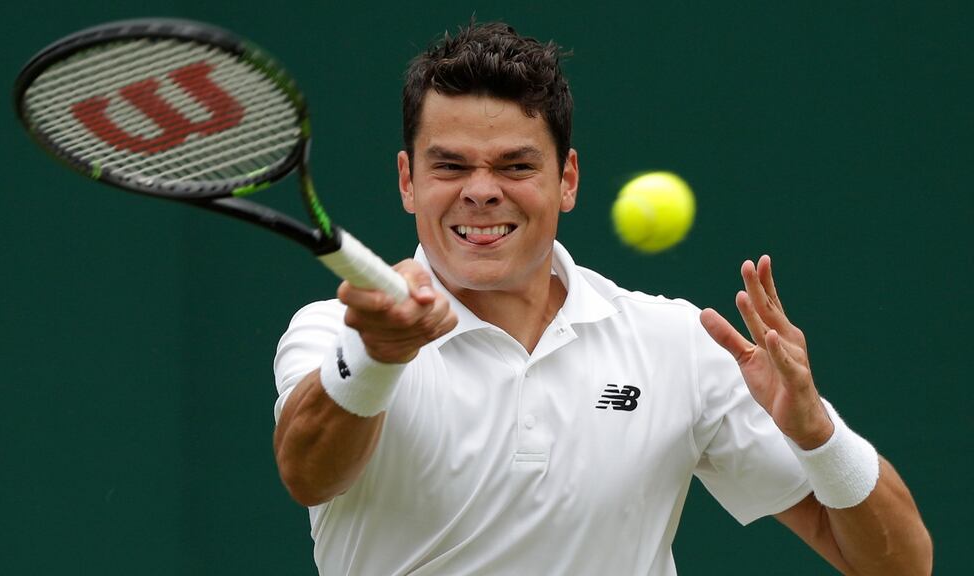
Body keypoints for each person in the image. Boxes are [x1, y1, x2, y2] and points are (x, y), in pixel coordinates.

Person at [272, 21, 931, 575]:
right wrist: (376, 355)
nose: (480, 190)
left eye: (515, 166)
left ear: (569, 179)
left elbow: (901, 566)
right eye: (450, 166)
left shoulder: (676, 344)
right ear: (407, 181)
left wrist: (819, 436)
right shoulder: (336, 334)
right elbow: (309, 474)